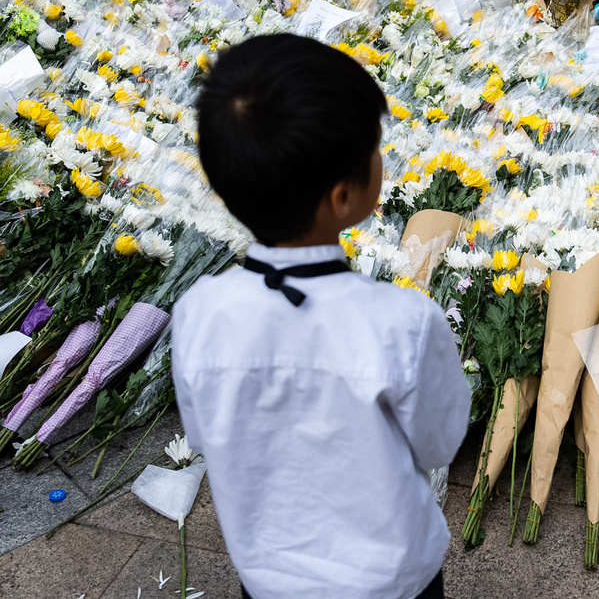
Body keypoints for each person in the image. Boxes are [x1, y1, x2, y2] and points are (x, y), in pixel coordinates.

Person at [173, 34, 470, 599]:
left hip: (269, 580)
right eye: (375, 148)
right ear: (343, 197)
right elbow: (439, 443)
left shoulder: (200, 313)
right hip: (392, 583)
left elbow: (204, 432)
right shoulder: (402, 322)